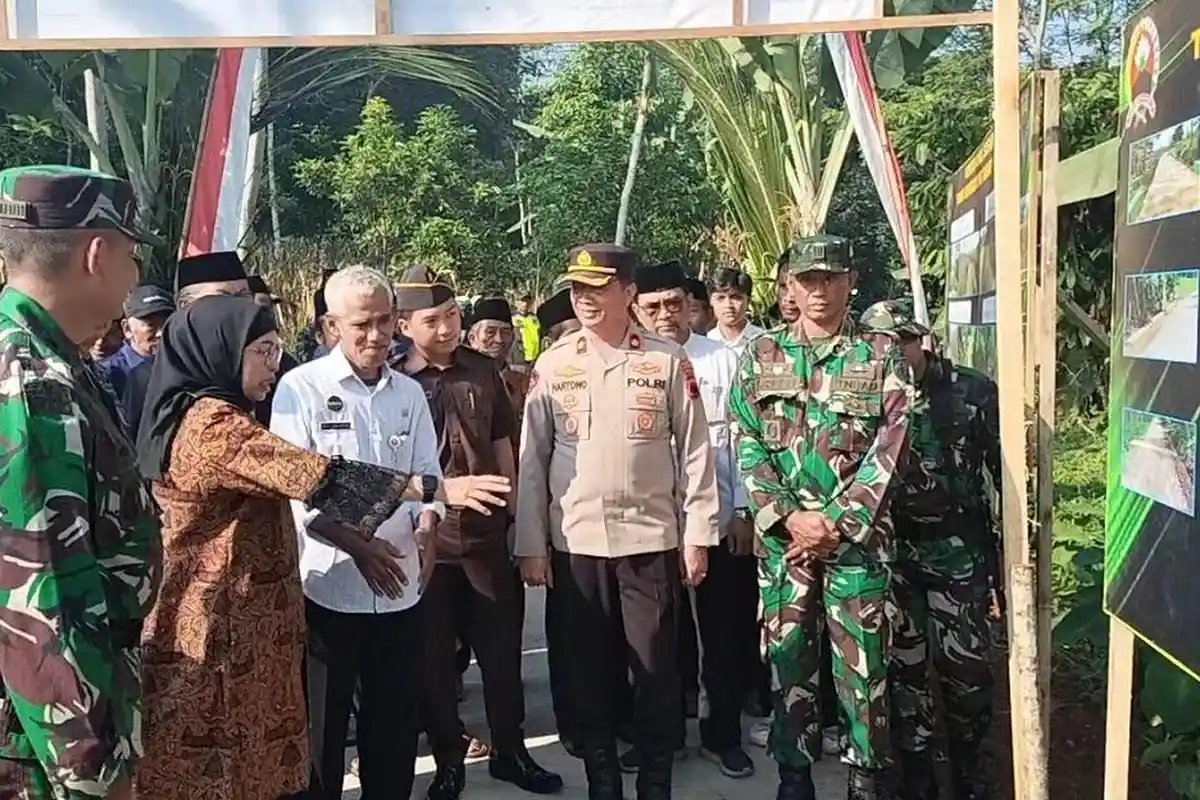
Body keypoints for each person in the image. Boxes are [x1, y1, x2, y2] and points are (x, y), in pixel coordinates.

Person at [134, 292, 509, 800]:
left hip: (248, 628)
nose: (273, 363)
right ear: (219, 351)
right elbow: (315, 476)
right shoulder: (212, 427)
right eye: (261, 351)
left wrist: (426, 514)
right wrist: (435, 488)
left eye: (274, 349)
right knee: (222, 768)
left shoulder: (220, 414)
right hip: (216, 633)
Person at [516, 243, 719, 800]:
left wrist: (698, 533)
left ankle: (656, 786)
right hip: (576, 545)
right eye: (577, 288)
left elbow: (695, 452)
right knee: (587, 677)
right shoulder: (555, 364)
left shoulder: (666, 360)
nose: (583, 298)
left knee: (656, 675)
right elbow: (532, 460)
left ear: (627, 293)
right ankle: (602, 785)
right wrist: (530, 542)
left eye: (596, 287)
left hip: (649, 541)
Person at [727, 234, 915, 800]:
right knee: (789, 667)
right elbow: (747, 440)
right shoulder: (762, 356)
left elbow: (893, 447)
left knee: (865, 671)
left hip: (856, 548)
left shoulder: (880, 355)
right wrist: (789, 519)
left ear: (850, 280)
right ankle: (794, 777)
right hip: (786, 550)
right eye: (807, 280)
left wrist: (836, 521)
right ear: (790, 286)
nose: (819, 291)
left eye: (830, 278)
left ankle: (865, 778)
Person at [0, 164, 163, 799]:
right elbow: (41, 594)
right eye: (130, 257)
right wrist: (93, 770)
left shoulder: (55, 358)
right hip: (37, 748)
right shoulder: (34, 380)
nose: (133, 280)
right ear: (98, 253)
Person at [395, 266, 562, 800]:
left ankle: (511, 752)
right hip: (427, 544)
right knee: (436, 660)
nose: (446, 328)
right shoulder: (395, 380)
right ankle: (449, 760)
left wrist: (517, 518)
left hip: (487, 538)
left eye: (451, 316)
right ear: (404, 325)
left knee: (501, 654)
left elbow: (501, 447)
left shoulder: (483, 371)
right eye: (432, 320)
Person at [859, 300, 999, 800]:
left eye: (902, 341)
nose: (892, 352)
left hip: (958, 555)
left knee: (967, 672)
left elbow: (1004, 478)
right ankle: (917, 776)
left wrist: (1005, 568)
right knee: (904, 672)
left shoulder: (971, 391)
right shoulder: (862, 394)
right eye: (881, 343)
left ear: (922, 341)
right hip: (893, 559)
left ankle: (968, 771)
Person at [631, 261, 757, 779]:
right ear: (637, 309)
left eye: (676, 304)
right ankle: (660, 739)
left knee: (721, 634)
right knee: (654, 639)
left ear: (692, 307)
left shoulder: (722, 360)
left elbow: (743, 439)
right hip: (650, 523)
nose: (666, 315)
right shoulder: (628, 362)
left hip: (717, 517)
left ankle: (721, 734)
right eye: (654, 306)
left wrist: (744, 508)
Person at [119, 250, 253, 435]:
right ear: (185, 306)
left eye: (243, 296)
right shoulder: (148, 378)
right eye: (221, 298)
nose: (236, 307)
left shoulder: (273, 366)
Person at [101, 284, 174, 399]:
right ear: (127, 329)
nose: (160, 332)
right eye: (150, 325)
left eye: (166, 323)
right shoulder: (108, 375)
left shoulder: (181, 365)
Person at [707, 267, 764, 357]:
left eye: (736, 297)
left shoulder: (763, 340)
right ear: (710, 301)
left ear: (748, 301)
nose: (728, 305)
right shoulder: (706, 343)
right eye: (721, 298)